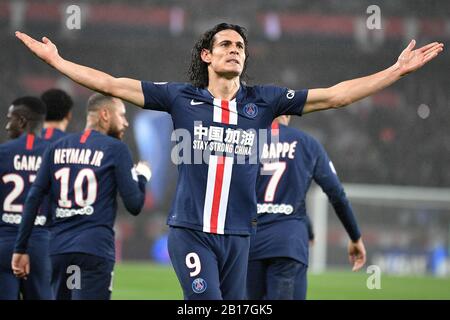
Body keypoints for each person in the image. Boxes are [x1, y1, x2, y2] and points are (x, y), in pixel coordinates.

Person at [14, 23, 443, 299]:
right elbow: (109, 82)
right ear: (207, 55)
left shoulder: (265, 102)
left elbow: (336, 96)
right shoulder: (181, 97)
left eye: (240, 45)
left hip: (241, 238)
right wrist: (57, 61)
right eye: (225, 44)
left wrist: (395, 72)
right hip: (192, 232)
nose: (234, 49)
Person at [12, 93, 151, 300]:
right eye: (121, 115)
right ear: (105, 114)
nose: (126, 122)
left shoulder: (55, 148)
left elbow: (33, 198)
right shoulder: (116, 149)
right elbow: (134, 204)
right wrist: (142, 176)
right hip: (94, 250)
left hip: (60, 250)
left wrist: (20, 248)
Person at [247, 116, 364, 300]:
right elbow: (336, 194)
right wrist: (355, 236)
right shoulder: (307, 143)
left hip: (249, 243)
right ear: (289, 114)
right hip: (289, 242)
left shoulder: (246, 141)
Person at [0, 96, 52, 300]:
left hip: (4, 242)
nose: (6, 126)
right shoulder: (55, 152)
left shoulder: (3, 152)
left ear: (21, 121)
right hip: (41, 243)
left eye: (9, 119)